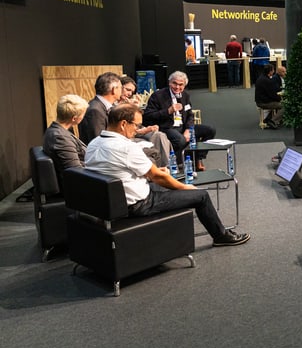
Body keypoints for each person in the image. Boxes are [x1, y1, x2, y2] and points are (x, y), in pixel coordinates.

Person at [85, 105, 249, 247]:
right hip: (138, 205)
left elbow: (118, 171)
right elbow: (159, 178)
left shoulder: (94, 144)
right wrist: (187, 188)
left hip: (110, 203)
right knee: (201, 195)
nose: (137, 129)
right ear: (123, 124)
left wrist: (154, 173)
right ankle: (221, 236)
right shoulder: (126, 147)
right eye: (136, 125)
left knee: (164, 176)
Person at [143, 71, 216, 169]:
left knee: (210, 130)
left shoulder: (185, 95)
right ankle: (178, 163)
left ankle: (198, 158)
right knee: (180, 140)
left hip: (183, 126)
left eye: (180, 85)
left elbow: (190, 115)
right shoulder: (158, 96)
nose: (177, 87)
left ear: (184, 85)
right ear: (169, 82)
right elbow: (148, 116)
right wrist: (168, 111)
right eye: (174, 83)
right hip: (167, 127)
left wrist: (188, 130)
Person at [43, 94, 89, 178]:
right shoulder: (61, 138)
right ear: (74, 118)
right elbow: (76, 172)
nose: (83, 117)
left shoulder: (55, 130)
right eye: (83, 114)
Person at [79, 72, 122, 144]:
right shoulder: (95, 111)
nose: (121, 90)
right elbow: (98, 141)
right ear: (114, 90)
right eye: (121, 87)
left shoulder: (107, 106)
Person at [255, 64, 284, 129]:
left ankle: (268, 119)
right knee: (284, 106)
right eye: (273, 70)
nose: (273, 72)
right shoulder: (267, 81)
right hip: (263, 102)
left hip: (260, 100)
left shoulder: (261, 78)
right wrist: (280, 99)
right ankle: (273, 121)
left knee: (277, 103)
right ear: (270, 71)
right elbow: (272, 94)